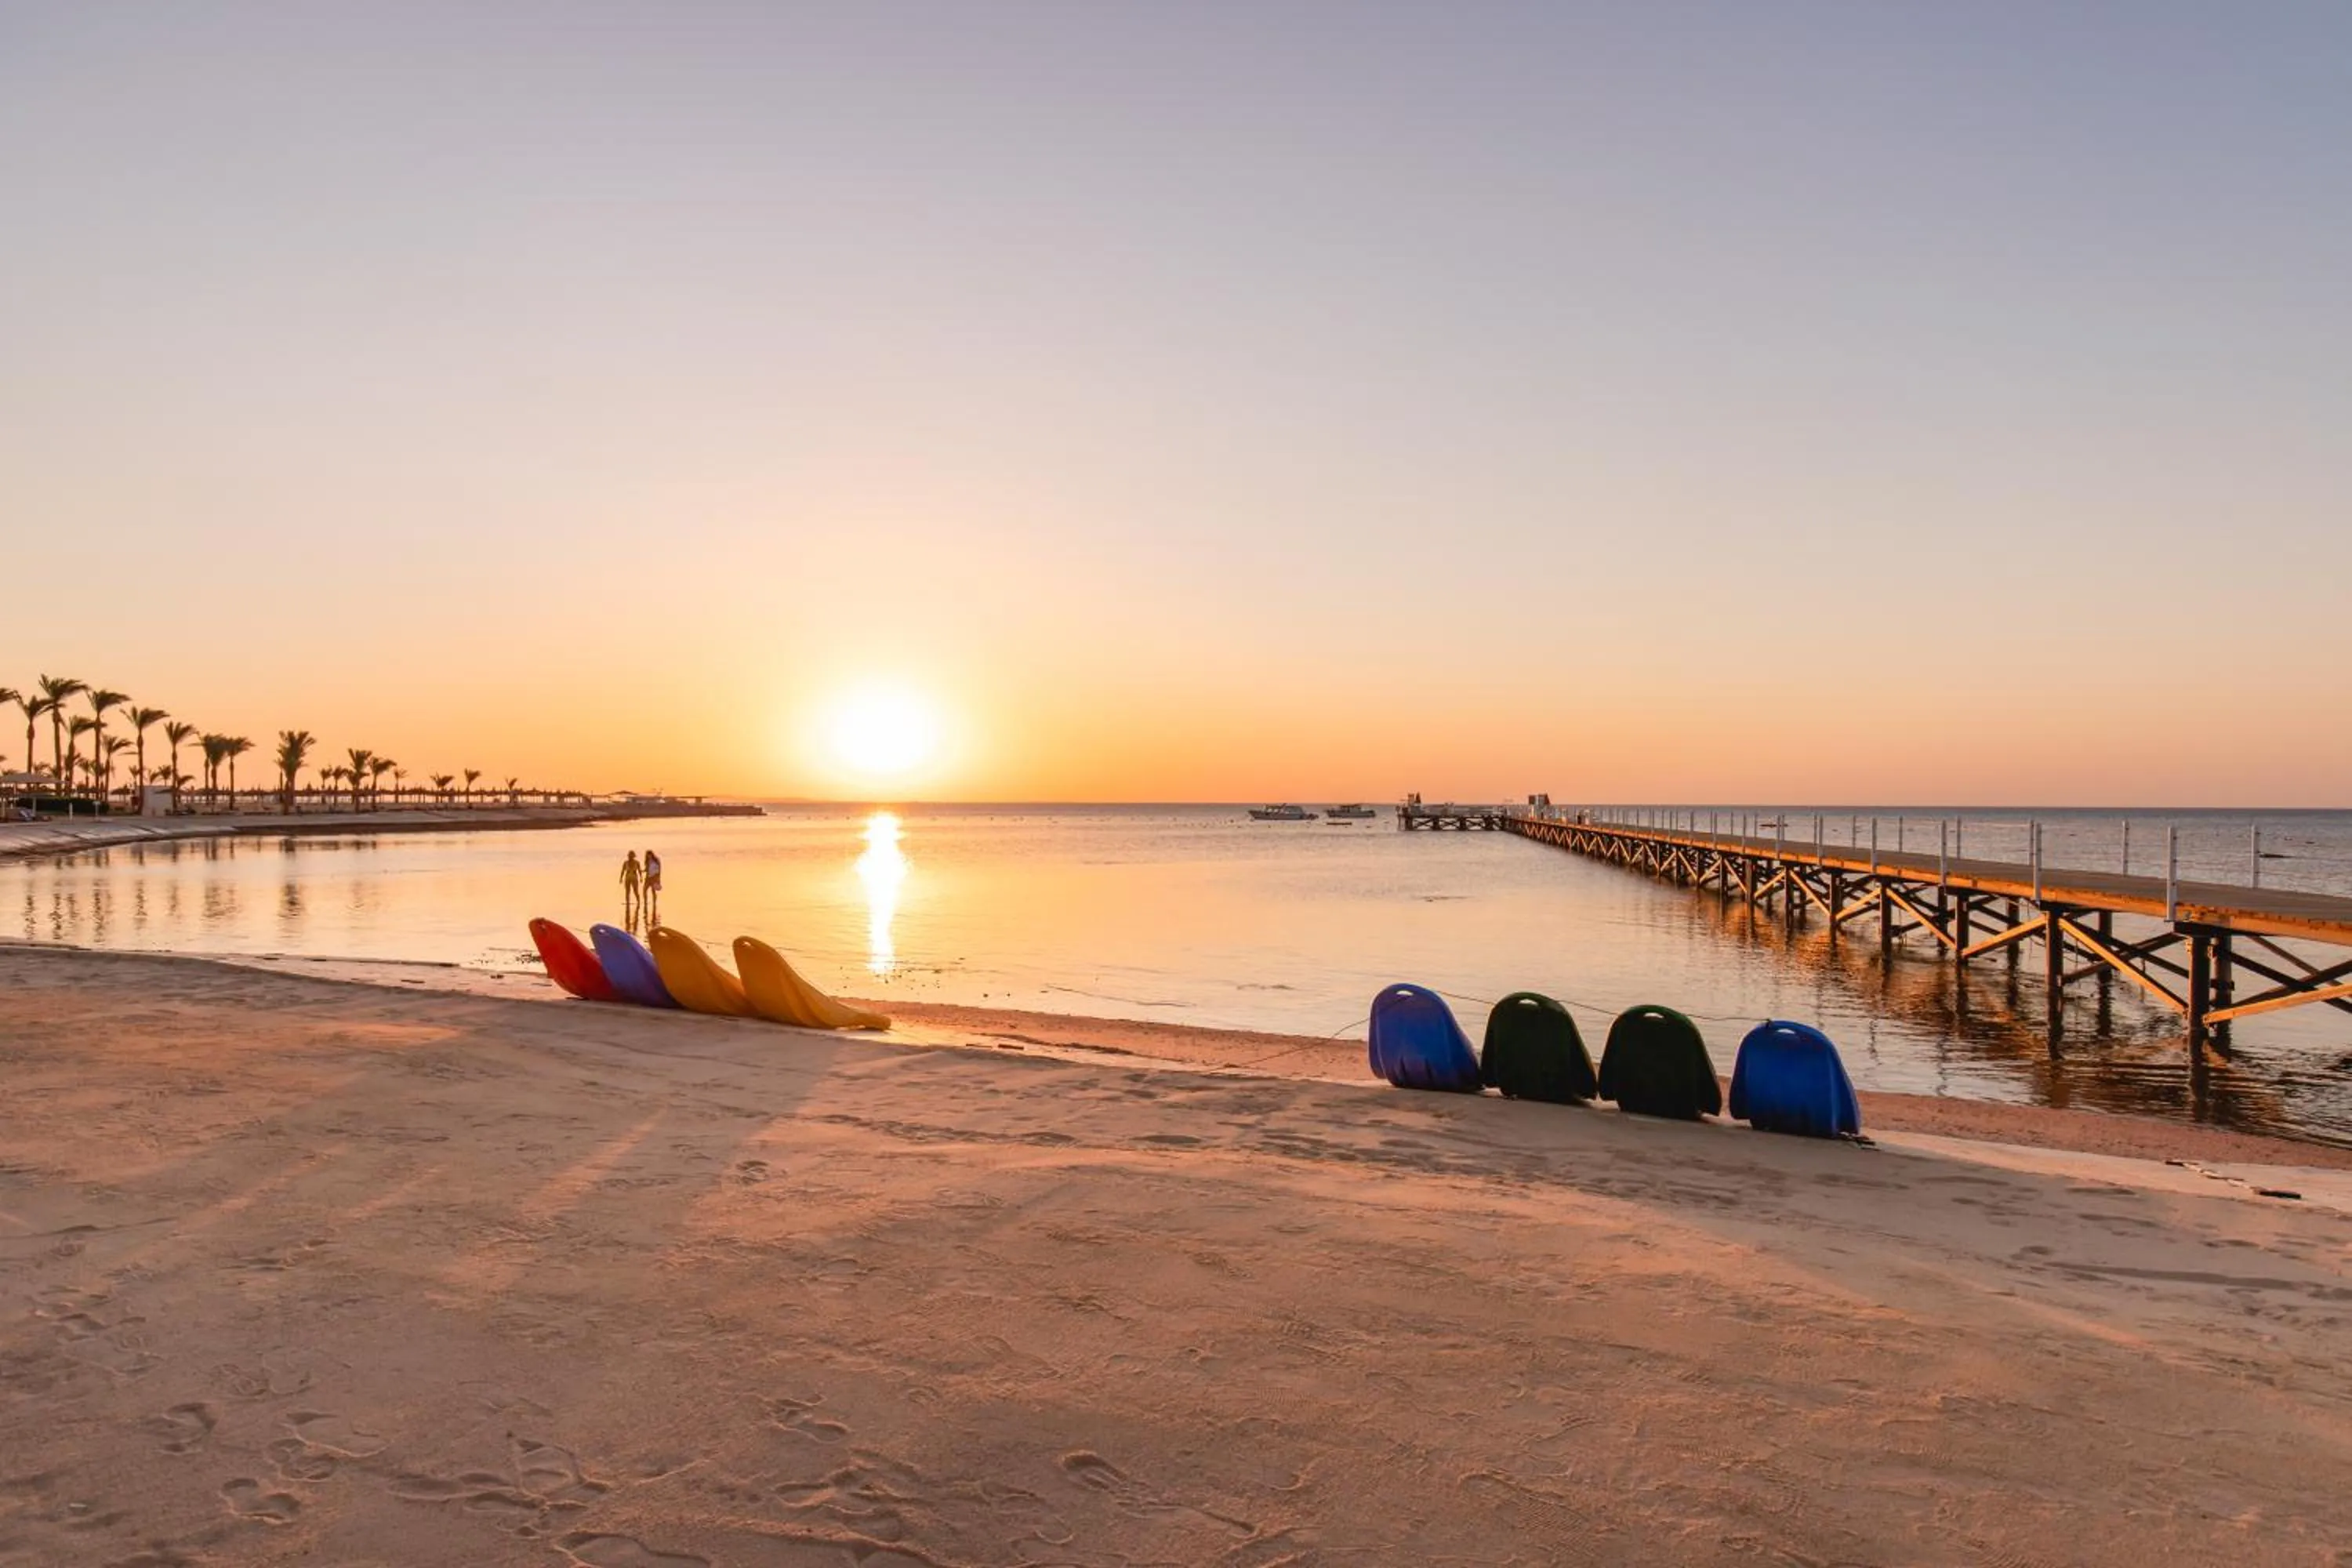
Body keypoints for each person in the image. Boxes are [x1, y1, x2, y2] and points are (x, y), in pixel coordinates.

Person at [620, 850, 642, 921]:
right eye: (629, 856)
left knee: (635, 891)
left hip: (634, 877)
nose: (630, 857)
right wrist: (621, 878)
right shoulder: (625, 863)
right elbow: (623, 871)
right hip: (627, 877)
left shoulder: (637, 863)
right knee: (627, 891)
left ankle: (639, 902)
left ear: (634, 856)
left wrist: (641, 878)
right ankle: (627, 903)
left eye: (632, 856)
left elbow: (639, 871)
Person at [643, 848, 662, 925]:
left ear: (652, 855)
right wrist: (643, 871)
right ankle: (645, 902)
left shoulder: (656, 861)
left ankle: (654, 903)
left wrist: (658, 879)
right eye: (648, 855)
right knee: (644, 890)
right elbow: (647, 869)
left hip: (654, 877)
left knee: (653, 891)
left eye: (650, 855)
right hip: (648, 878)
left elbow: (659, 870)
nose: (649, 856)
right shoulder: (647, 861)